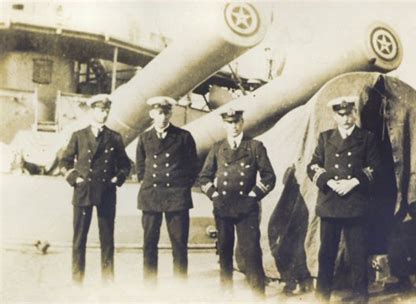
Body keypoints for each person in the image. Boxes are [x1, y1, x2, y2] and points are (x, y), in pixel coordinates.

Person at [306, 96, 381, 303]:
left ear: (355, 113)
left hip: (356, 204)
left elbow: (376, 167)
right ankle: (322, 297)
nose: (346, 118)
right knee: (326, 255)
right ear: (334, 116)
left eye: (349, 113)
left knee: (358, 255)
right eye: (342, 114)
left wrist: (353, 182)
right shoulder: (325, 138)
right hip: (330, 204)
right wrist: (329, 182)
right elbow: (312, 166)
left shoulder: (367, 138)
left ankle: (360, 299)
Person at [198, 108, 276, 296]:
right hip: (223, 206)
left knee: (251, 251)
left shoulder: (255, 147)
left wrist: (253, 196)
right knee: (224, 251)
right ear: (224, 124)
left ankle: (258, 294)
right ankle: (226, 292)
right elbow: (204, 177)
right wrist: (214, 196)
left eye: (236, 122)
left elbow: (269, 177)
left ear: (242, 123)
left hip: (246, 209)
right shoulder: (217, 148)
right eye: (229, 123)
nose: (233, 126)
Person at [61, 94, 131, 284]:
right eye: (101, 110)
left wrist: (117, 179)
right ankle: (77, 279)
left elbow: (125, 165)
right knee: (79, 239)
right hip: (83, 192)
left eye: (107, 110)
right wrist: (76, 180)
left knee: (107, 239)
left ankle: (108, 281)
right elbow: (65, 162)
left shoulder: (114, 137)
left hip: (106, 194)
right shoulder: (79, 135)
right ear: (93, 111)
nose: (104, 113)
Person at [136, 96, 198, 283]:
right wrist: (145, 182)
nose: (163, 117)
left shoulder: (183, 137)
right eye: (159, 113)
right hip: (151, 196)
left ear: (171, 113)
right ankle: (149, 284)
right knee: (149, 243)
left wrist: (181, 186)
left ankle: (180, 284)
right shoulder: (144, 137)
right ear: (152, 114)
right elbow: (140, 166)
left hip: (176, 196)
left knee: (179, 244)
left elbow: (193, 166)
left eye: (166, 112)